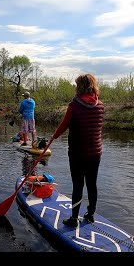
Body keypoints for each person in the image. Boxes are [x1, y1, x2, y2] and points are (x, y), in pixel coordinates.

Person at [48, 73, 104, 227]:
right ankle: (91, 215)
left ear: (80, 86)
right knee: (92, 184)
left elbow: (64, 125)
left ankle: (74, 219)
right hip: (95, 153)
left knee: (78, 185)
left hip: (78, 153)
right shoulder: (100, 105)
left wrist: (53, 137)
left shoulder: (74, 105)